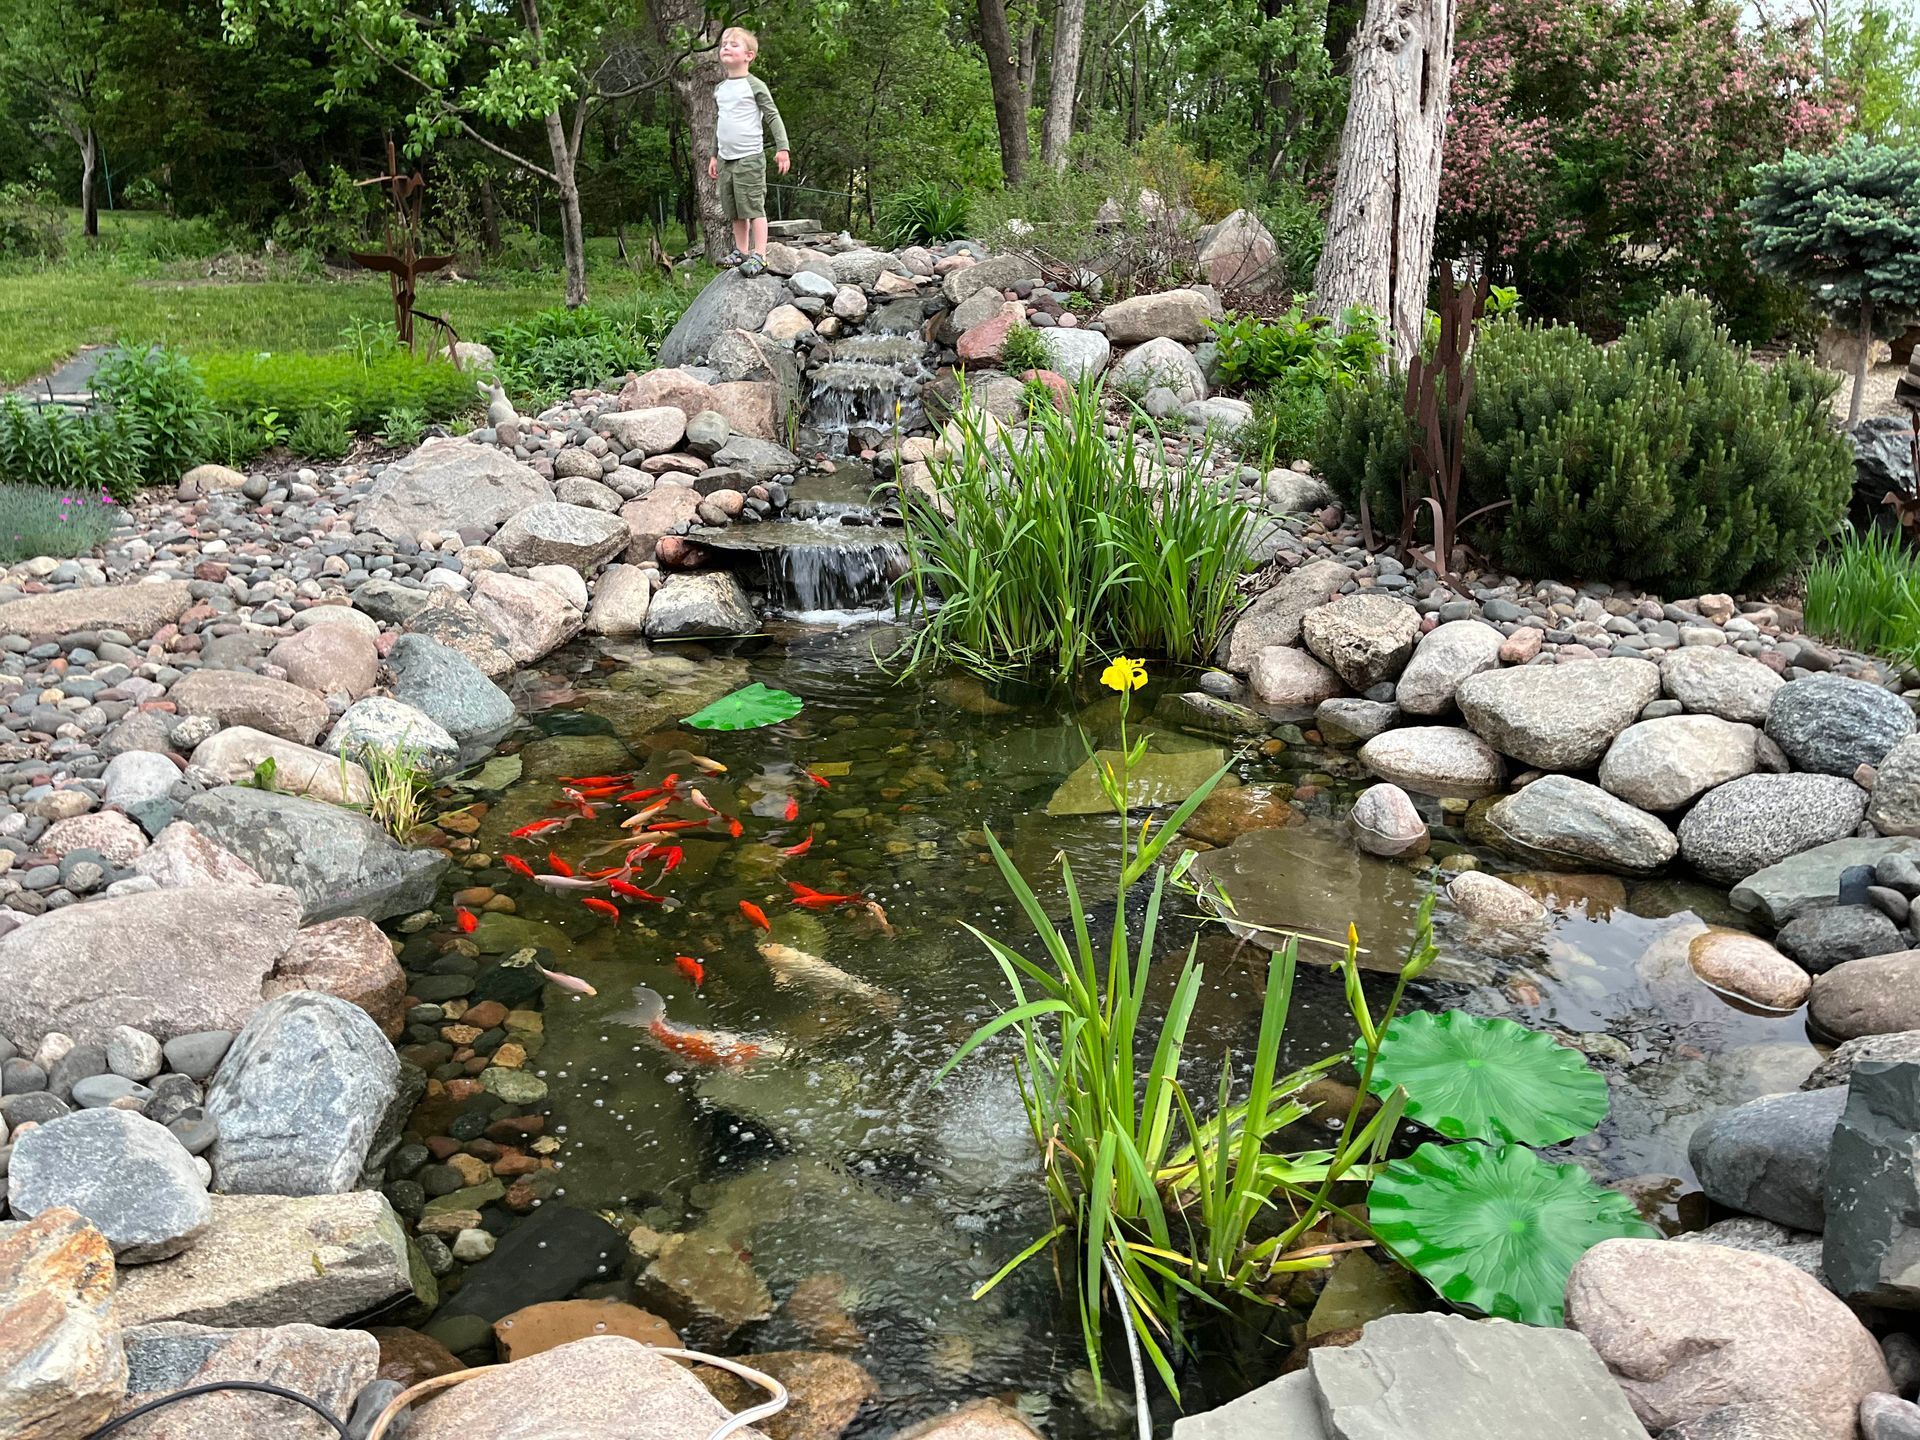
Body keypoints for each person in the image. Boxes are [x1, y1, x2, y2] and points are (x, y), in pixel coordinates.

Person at [706, 26, 790, 277]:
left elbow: (773, 116)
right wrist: (713, 154)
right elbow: (720, 122)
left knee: (753, 208)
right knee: (734, 210)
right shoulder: (720, 89)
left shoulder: (755, 86)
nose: (726, 48)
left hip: (749, 158)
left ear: (749, 55)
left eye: (733, 44)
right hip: (725, 159)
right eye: (723, 44)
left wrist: (782, 148)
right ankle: (741, 252)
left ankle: (760, 255)